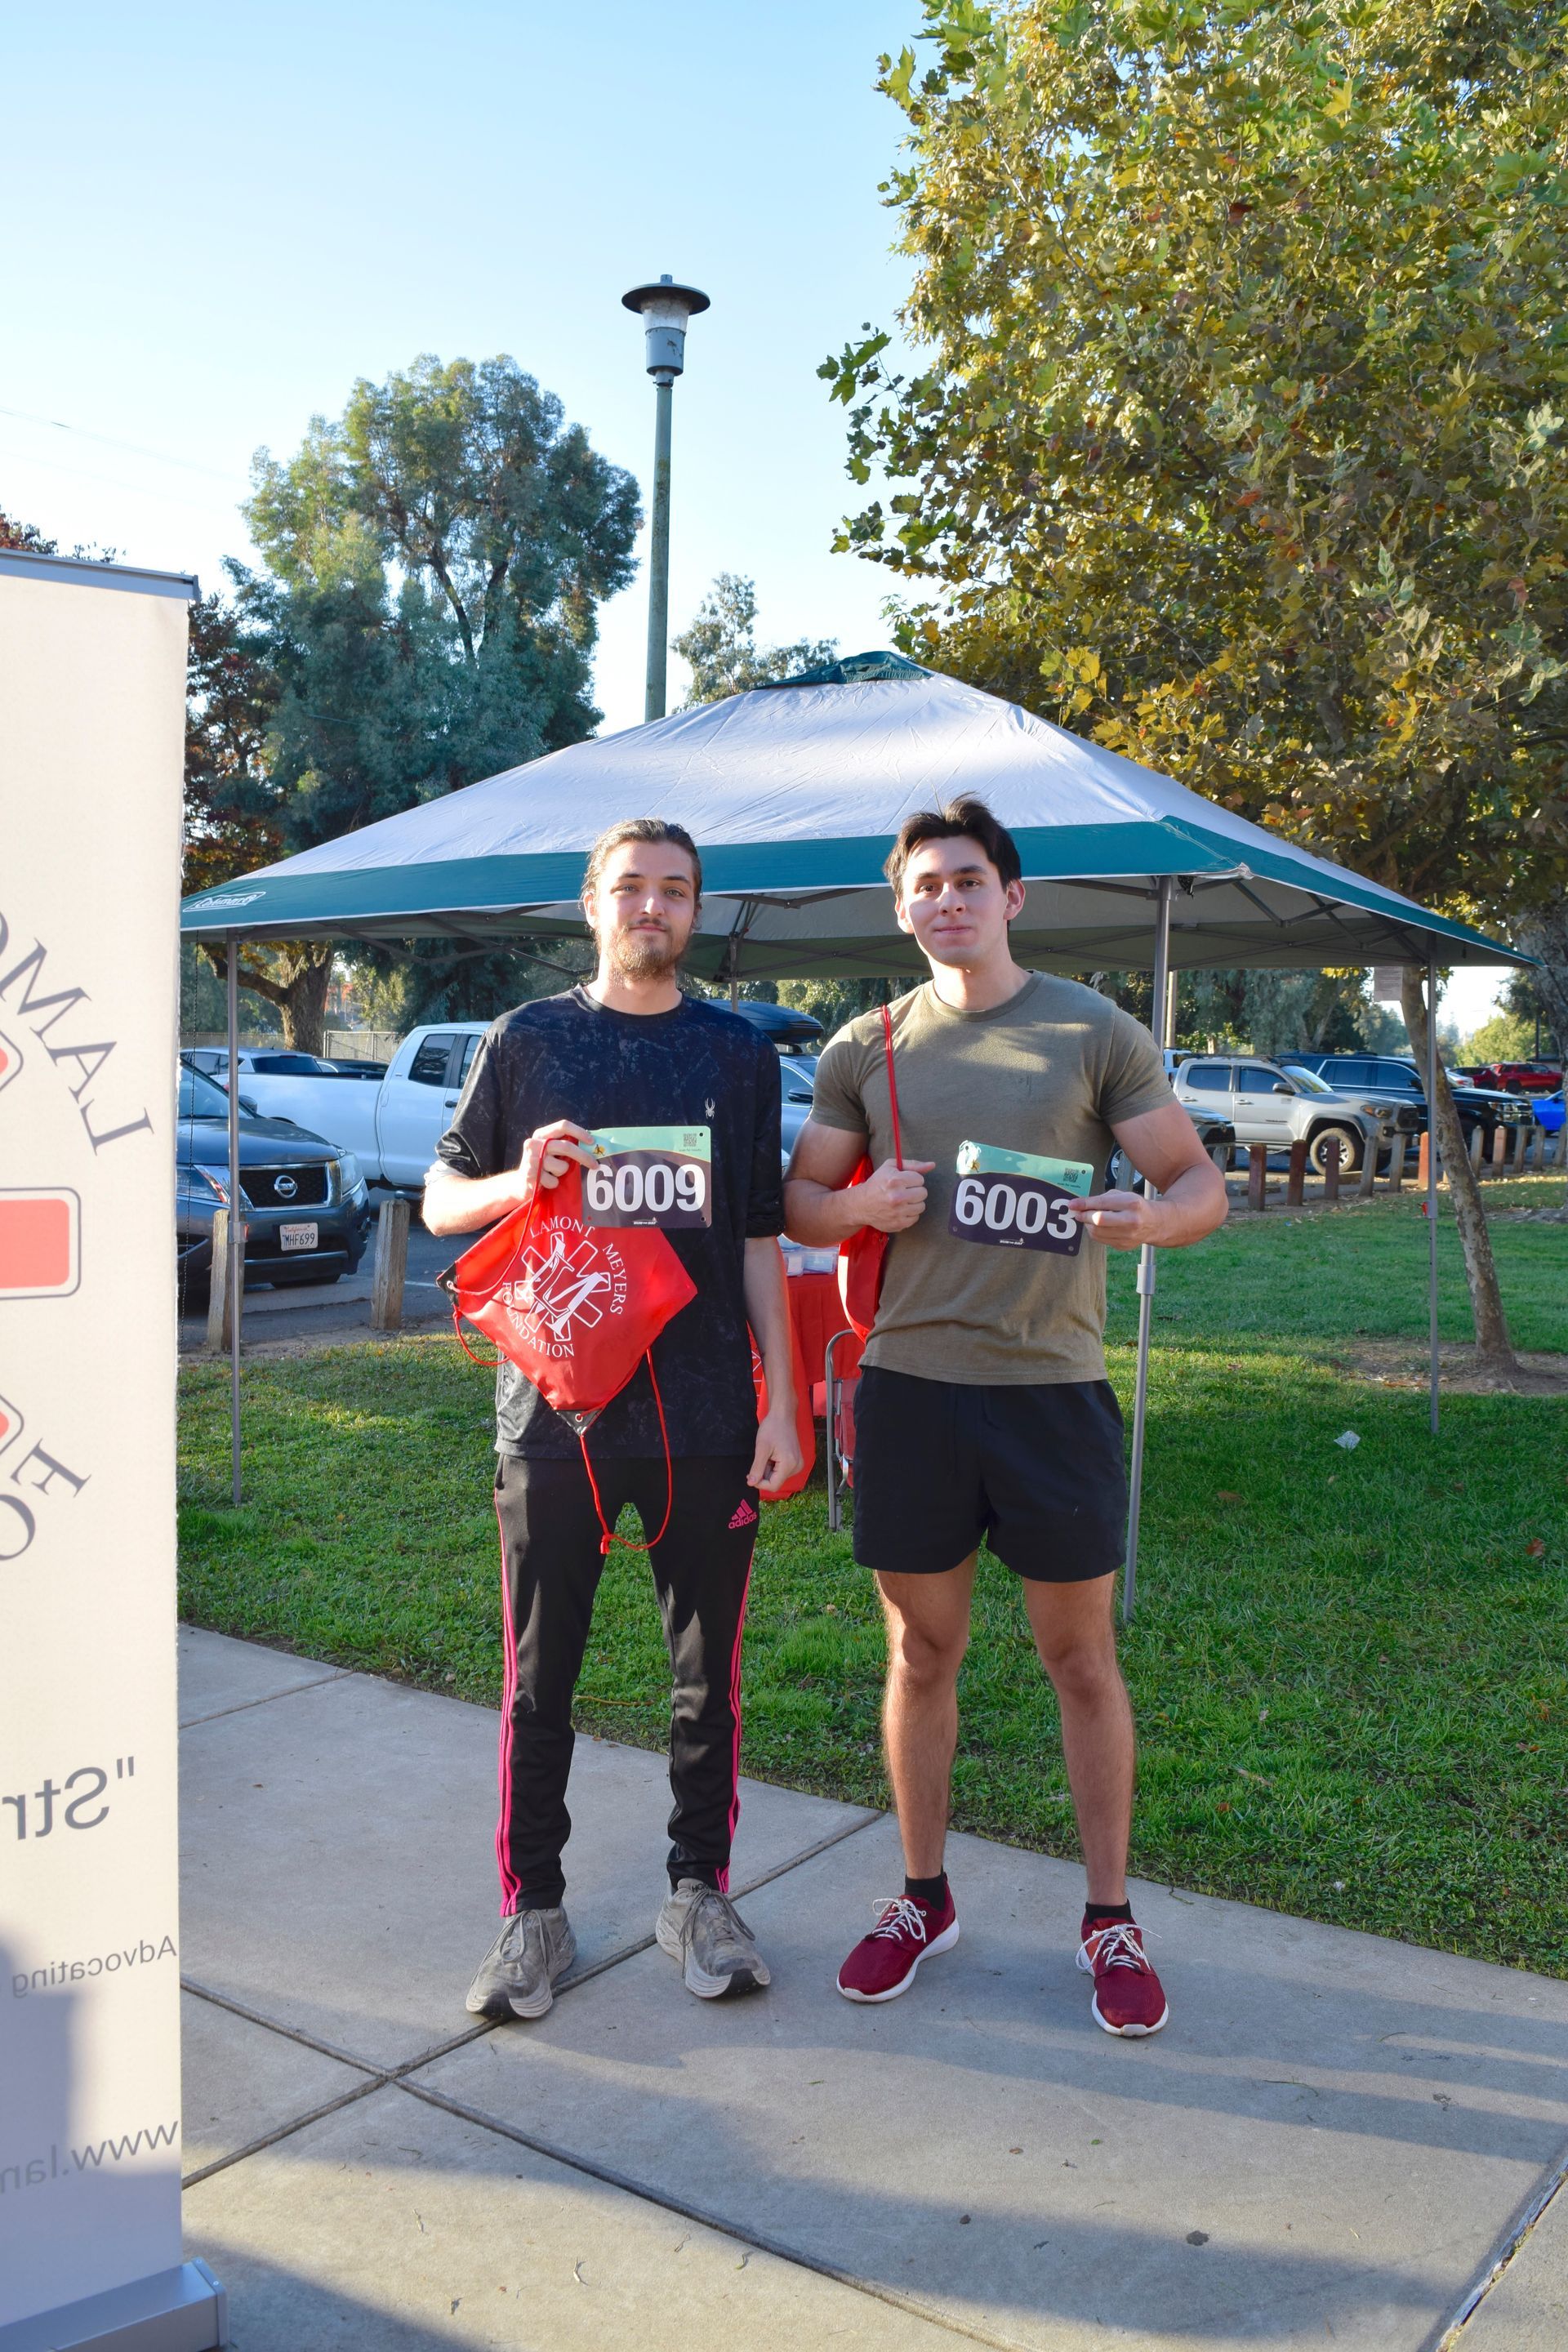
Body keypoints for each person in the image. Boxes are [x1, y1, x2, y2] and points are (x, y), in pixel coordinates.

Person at [783, 799, 1227, 2033]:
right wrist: (859, 1203)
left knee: (1079, 1661)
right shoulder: (865, 1045)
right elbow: (801, 1205)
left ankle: (1109, 1917)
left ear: (1012, 898)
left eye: (968, 879)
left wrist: (1155, 1218)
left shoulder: (1094, 1031)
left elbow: (1199, 1183)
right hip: (914, 1392)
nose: (947, 899)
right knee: (921, 1655)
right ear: (903, 906)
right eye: (924, 883)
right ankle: (922, 1895)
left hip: (1052, 1396)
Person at [425, 817, 801, 2020]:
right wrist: (515, 1180)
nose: (653, 907)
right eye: (631, 887)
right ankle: (534, 1913)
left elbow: (754, 1238)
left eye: (676, 891)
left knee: (708, 1684)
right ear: (591, 904)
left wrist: (783, 1398)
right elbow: (441, 1202)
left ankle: (699, 1893)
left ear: (697, 913)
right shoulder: (527, 1040)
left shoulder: (738, 1053)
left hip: (704, 1414)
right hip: (555, 1417)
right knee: (543, 1683)